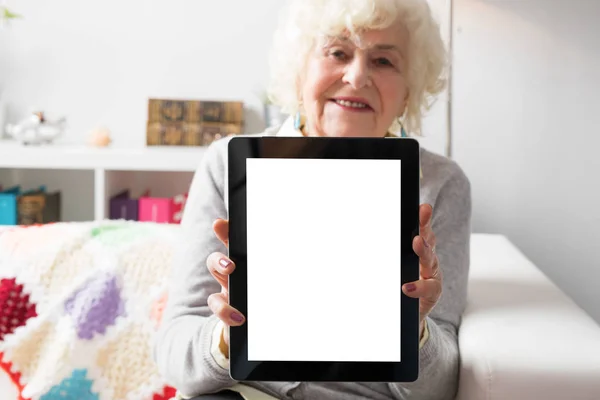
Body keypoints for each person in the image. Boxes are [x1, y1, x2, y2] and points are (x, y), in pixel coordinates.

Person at [153, 0, 472, 399]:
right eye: (337, 52)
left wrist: (416, 327)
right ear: (300, 69)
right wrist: (226, 332)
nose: (357, 77)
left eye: (384, 61)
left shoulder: (441, 185)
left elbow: (438, 390)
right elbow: (173, 353)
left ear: (410, 90)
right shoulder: (228, 164)